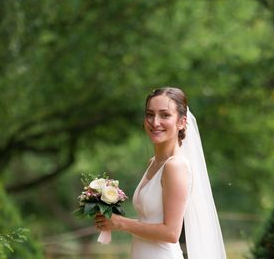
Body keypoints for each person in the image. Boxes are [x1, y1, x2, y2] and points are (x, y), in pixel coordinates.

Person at [94, 87, 227, 258]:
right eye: (150, 114)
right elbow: (151, 223)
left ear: (181, 122)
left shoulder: (175, 166)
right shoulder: (153, 163)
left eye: (165, 115)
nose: (155, 122)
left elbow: (170, 233)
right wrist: (112, 221)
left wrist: (120, 223)